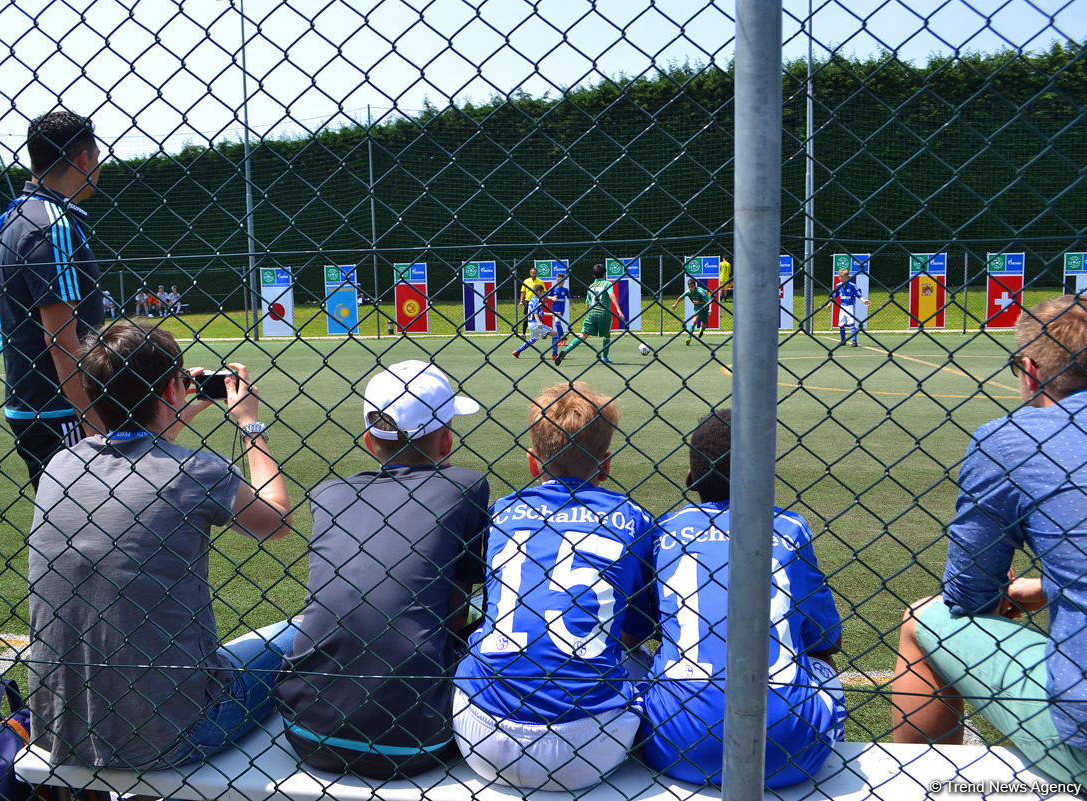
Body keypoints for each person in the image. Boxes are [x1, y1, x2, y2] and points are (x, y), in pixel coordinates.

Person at [28, 322, 295, 769]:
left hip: (59, 725)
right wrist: (250, 422)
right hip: (176, 730)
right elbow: (277, 520)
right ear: (174, 387)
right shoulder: (197, 472)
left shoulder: (61, 464)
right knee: (300, 635)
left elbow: (138, 448)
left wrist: (177, 406)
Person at [892, 295, 1087, 785]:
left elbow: (969, 593)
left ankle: (925, 785)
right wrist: (1049, 587)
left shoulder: (1012, 439)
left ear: (1028, 369)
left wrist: (1006, 591)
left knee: (923, 620)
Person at [277, 360, 489, 778]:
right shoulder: (465, 486)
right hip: (418, 741)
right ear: (446, 441)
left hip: (305, 733)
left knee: (289, 630)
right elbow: (454, 612)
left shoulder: (330, 493)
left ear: (369, 440)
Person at [454, 382, 655, 791]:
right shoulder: (632, 518)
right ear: (606, 465)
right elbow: (636, 632)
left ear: (532, 462)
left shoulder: (503, 512)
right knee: (644, 658)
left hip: (480, 734)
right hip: (589, 743)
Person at [642, 409, 845, 788]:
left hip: (674, 745)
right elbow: (826, 639)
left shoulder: (665, 531)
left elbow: (645, 627)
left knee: (643, 658)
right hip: (789, 754)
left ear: (690, 479)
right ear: (763, 475)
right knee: (822, 665)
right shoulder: (788, 527)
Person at [0, 109, 105, 489]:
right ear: (83, 158)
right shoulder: (51, 225)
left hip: (35, 400)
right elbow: (60, 339)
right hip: (61, 409)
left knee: (66, 528)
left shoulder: (15, 216)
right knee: (95, 525)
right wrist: (93, 421)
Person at [554, 263, 625, 366]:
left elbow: (587, 304)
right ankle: (605, 357)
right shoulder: (607, 284)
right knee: (607, 334)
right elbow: (611, 294)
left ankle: (565, 351)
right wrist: (619, 310)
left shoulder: (590, 286)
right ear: (604, 274)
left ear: (594, 275)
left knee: (583, 335)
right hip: (604, 313)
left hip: (591, 313)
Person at [512, 275, 554, 359]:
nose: (543, 294)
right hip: (536, 323)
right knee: (555, 334)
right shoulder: (536, 300)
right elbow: (535, 312)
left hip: (531, 324)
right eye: (542, 292)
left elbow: (540, 313)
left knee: (533, 340)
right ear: (539, 292)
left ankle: (517, 351)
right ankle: (554, 355)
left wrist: (553, 314)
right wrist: (539, 322)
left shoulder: (532, 300)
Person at [828, 268, 871, 347]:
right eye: (839, 276)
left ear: (846, 277)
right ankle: (843, 340)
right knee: (841, 324)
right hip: (842, 307)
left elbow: (858, 295)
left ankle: (854, 341)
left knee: (851, 323)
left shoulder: (852, 286)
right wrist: (830, 303)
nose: (839, 278)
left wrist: (864, 301)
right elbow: (835, 295)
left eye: (841, 276)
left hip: (850, 307)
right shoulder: (838, 285)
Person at [670, 276, 711, 346]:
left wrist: (710, 309)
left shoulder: (701, 291)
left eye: (692, 287)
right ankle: (689, 338)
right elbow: (681, 297)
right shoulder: (688, 292)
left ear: (695, 286)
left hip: (705, 308)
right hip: (697, 308)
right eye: (689, 287)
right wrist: (675, 304)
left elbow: (709, 301)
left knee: (703, 325)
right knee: (694, 321)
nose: (690, 288)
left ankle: (701, 331)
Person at [546, 273, 571, 361]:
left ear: (564, 282)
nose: (560, 282)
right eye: (559, 280)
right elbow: (546, 295)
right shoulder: (553, 288)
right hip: (554, 310)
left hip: (561, 310)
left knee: (557, 323)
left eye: (562, 280)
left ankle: (562, 338)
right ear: (557, 280)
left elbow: (569, 298)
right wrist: (552, 298)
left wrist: (572, 305)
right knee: (557, 323)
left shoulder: (565, 290)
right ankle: (563, 337)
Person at [519, 266, 545, 338]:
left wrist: (544, 301)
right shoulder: (526, 281)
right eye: (533, 273)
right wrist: (521, 301)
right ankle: (524, 334)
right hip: (528, 301)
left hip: (537, 301)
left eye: (535, 273)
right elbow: (523, 291)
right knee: (526, 317)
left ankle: (544, 334)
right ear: (530, 273)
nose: (534, 274)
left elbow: (544, 292)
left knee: (539, 316)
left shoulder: (540, 281)